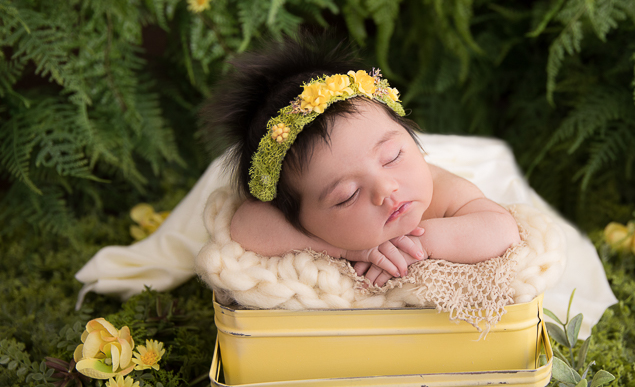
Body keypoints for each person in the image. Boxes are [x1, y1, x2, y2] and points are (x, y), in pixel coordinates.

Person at [201, 32, 520, 286]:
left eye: (393, 156)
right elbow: (246, 225)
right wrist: (352, 250)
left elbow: (501, 230)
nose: (385, 188)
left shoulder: (440, 190)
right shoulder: (304, 221)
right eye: (347, 195)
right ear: (302, 217)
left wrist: (419, 245)